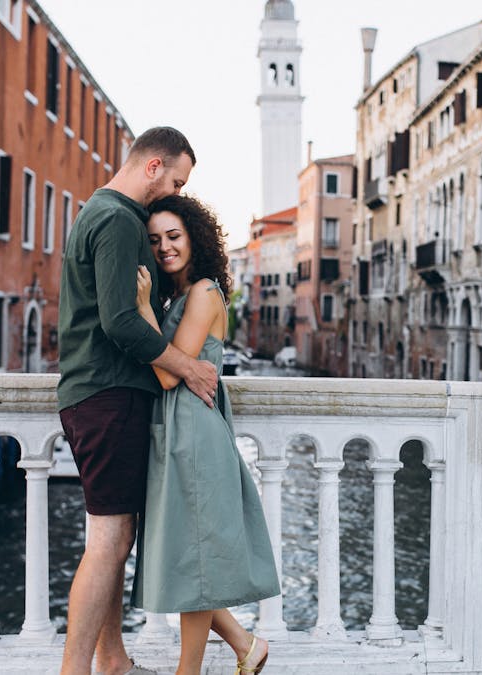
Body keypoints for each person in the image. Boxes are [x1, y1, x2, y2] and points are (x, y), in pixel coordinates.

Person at [57, 127, 219, 675]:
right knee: (110, 540)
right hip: (109, 395)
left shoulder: (95, 211)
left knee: (111, 536)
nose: (174, 192)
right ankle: (76, 670)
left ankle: (112, 661)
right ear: (153, 167)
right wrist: (188, 366)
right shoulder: (120, 219)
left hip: (92, 395)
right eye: (175, 181)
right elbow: (121, 321)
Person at [132, 195, 280, 675]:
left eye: (174, 236)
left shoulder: (203, 292)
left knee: (194, 560)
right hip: (179, 432)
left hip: (193, 434)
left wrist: (141, 307)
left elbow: (166, 374)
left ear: (195, 236)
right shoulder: (179, 295)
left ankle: (188, 672)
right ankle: (247, 646)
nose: (165, 247)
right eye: (155, 240)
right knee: (185, 555)